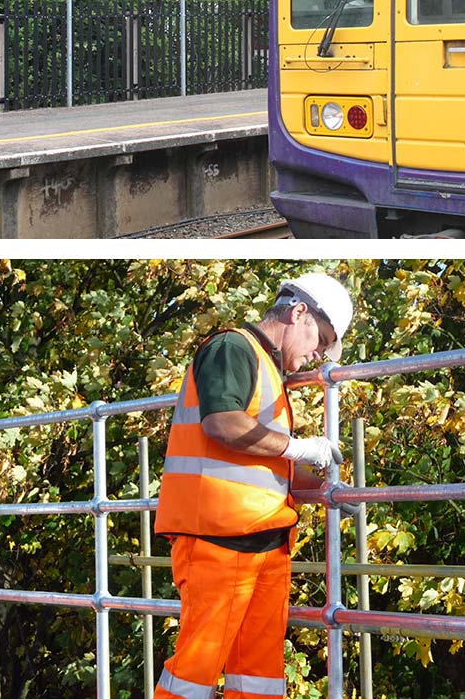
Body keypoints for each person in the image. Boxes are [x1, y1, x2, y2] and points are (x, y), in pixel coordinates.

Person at [153, 272, 354, 699]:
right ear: (299, 312)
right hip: (218, 541)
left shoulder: (265, 367)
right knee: (194, 672)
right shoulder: (232, 348)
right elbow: (222, 423)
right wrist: (299, 449)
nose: (317, 354)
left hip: (262, 542)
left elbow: (267, 461)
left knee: (259, 676)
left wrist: (326, 490)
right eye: (319, 339)